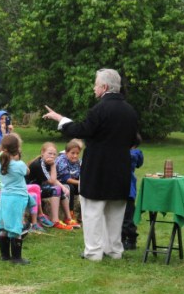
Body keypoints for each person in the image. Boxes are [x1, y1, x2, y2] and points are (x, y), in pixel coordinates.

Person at [43, 68, 140, 261]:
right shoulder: (130, 111)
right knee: (115, 213)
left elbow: (83, 130)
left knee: (93, 212)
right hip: (121, 169)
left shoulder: (99, 109)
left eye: (96, 84)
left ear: (104, 87)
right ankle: (114, 250)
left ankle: (94, 252)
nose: (94, 88)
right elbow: (133, 139)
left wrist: (60, 119)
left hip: (98, 169)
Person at [0, 133, 30, 264]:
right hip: (17, 197)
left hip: (4, 197)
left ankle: (4, 255)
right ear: (17, 148)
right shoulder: (19, 165)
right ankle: (16, 257)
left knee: (3, 226)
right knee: (15, 225)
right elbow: (27, 171)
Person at [25, 142, 77, 230]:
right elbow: (52, 181)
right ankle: (55, 220)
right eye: (49, 153)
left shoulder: (46, 163)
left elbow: (52, 179)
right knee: (55, 190)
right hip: (31, 189)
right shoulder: (39, 165)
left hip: (39, 187)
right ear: (42, 153)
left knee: (60, 189)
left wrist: (63, 186)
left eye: (54, 154)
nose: (52, 156)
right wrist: (53, 165)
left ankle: (68, 218)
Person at [56, 139, 84, 220]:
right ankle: (70, 213)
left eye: (77, 153)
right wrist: (81, 183)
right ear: (66, 152)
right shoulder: (61, 160)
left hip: (73, 181)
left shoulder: (78, 161)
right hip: (60, 182)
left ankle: (83, 214)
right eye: (72, 153)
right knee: (70, 188)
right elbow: (66, 178)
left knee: (83, 188)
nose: (75, 156)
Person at [123, 142, 144, 250]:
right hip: (129, 189)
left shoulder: (132, 153)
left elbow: (136, 160)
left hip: (126, 190)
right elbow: (140, 163)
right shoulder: (136, 153)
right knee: (126, 216)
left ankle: (131, 240)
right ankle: (124, 239)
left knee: (127, 217)